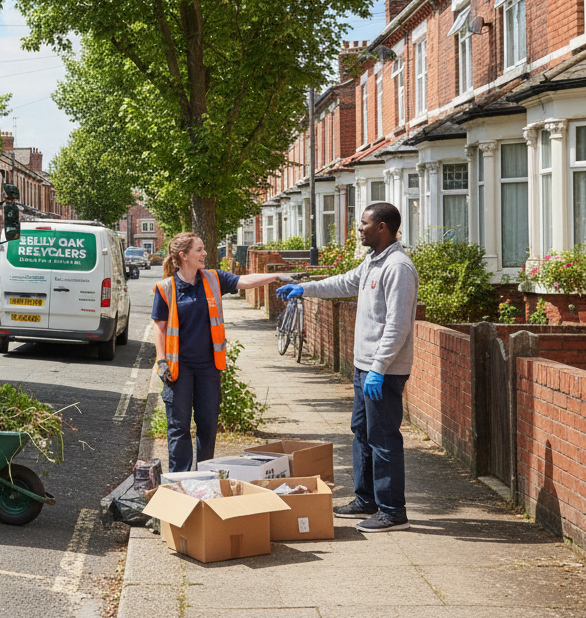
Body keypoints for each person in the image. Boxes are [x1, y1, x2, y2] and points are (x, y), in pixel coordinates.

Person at [277, 202, 418, 533]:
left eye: (364, 224)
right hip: (364, 367)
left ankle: (393, 511)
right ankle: (366, 499)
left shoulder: (398, 267)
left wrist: (380, 368)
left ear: (382, 227)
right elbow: (343, 283)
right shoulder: (373, 262)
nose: (359, 229)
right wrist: (305, 288)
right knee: (362, 433)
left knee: (383, 439)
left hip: (383, 371)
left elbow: (397, 326)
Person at [152, 233, 283, 473]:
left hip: (208, 368)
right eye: (199, 250)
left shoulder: (213, 279)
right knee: (179, 427)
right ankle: (180, 479)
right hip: (178, 369)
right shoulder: (166, 288)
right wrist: (161, 361)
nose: (204, 254)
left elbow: (244, 281)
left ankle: (204, 475)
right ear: (184, 256)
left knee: (208, 424)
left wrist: (275, 276)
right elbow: (159, 327)